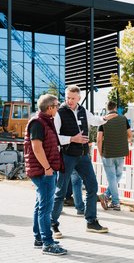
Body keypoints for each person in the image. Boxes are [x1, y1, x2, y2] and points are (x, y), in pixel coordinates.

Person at [51, 85, 116, 239]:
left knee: (93, 187)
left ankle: (91, 221)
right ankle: (52, 224)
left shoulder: (82, 110)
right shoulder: (59, 113)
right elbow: (54, 136)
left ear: (79, 98)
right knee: (60, 191)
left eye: (73, 98)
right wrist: (72, 139)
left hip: (83, 156)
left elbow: (94, 120)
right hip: (67, 156)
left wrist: (105, 118)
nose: (69, 100)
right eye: (67, 97)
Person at [24, 94, 67, 256]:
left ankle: (39, 239)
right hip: (43, 171)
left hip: (44, 170)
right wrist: (48, 168)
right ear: (49, 108)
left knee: (40, 205)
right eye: (56, 105)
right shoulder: (37, 123)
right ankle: (47, 244)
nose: (58, 108)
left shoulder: (45, 121)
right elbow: (36, 148)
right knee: (45, 208)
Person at [97, 101, 132, 211]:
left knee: (112, 177)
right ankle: (107, 196)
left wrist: (100, 153)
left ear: (107, 108)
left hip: (108, 153)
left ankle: (115, 201)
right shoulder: (124, 119)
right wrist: (121, 142)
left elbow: (98, 139)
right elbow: (130, 136)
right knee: (118, 175)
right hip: (120, 152)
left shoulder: (103, 120)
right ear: (116, 108)